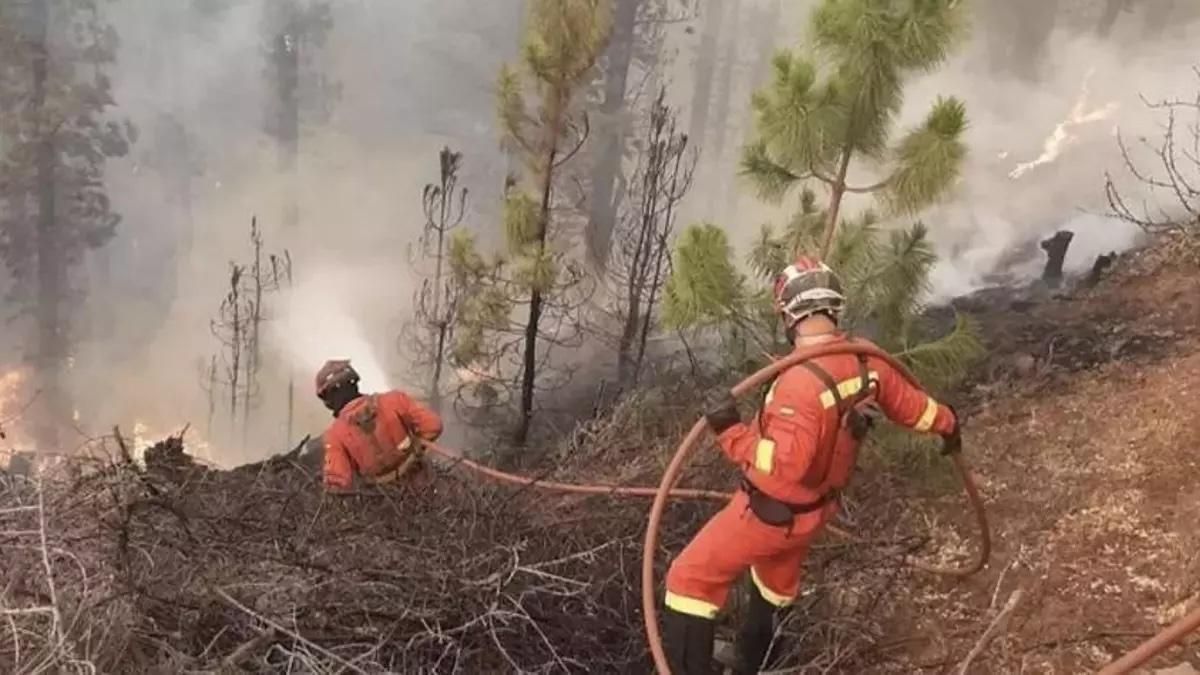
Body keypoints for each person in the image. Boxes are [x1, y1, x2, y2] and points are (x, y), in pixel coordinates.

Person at [662, 257, 962, 674]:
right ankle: (754, 663)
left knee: (689, 579)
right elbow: (915, 408)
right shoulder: (864, 360)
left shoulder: (798, 385)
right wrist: (948, 423)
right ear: (833, 307)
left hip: (768, 514)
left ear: (788, 312)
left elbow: (784, 465)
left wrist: (730, 430)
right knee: (775, 583)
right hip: (814, 511)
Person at [313, 359, 444, 492]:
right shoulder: (395, 400)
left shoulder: (334, 435)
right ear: (354, 383)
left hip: (383, 502)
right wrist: (415, 448)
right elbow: (433, 425)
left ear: (328, 399)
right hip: (424, 488)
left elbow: (339, 482)